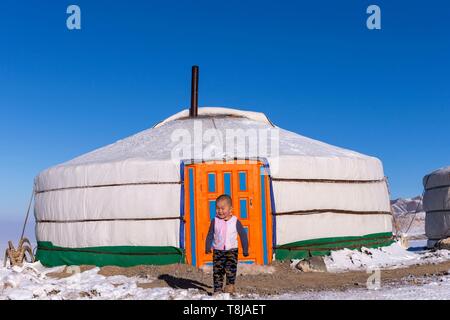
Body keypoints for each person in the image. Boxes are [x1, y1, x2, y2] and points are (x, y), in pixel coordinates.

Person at [205, 194, 249, 294]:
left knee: (231, 271)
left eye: (222, 208)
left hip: (232, 251)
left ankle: (229, 288)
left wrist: (245, 249)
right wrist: (208, 246)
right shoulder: (215, 221)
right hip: (218, 251)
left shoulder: (235, 221)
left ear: (230, 209)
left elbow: (243, 235)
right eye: (217, 208)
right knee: (217, 272)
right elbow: (210, 234)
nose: (220, 211)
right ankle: (218, 290)